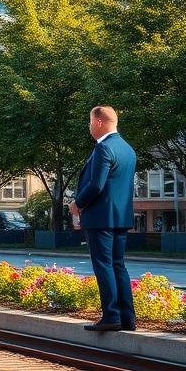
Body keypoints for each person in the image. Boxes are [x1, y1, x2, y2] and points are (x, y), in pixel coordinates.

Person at [69, 105, 137, 332]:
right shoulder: (128, 149)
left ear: (99, 122)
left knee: (103, 266)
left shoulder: (103, 149)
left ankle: (111, 316)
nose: (89, 127)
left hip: (100, 219)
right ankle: (127, 317)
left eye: (90, 122)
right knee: (118, 265)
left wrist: (77, 205)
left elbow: (96, 185)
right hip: (121, 218)